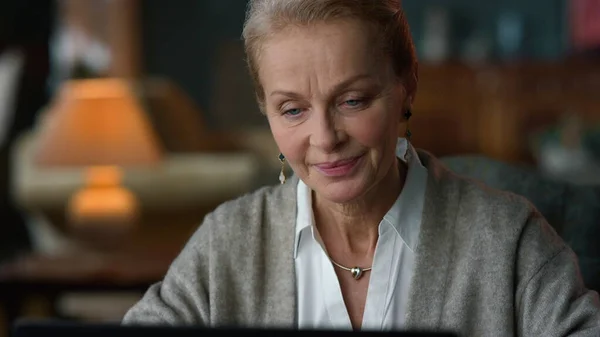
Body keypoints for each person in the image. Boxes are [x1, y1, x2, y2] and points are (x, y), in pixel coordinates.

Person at [123, 0, 600, 335]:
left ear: (406, 83)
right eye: (292, 110)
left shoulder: (509, 241)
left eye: (352, 100)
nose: (326, 138)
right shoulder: (226, 242)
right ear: (264, 108)